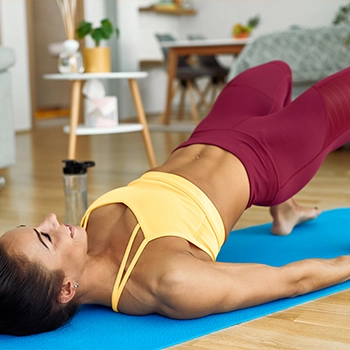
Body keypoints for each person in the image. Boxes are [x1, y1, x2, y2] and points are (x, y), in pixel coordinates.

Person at [1, 60, 350, 336]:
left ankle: (285, 213)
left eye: (34, 226)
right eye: (45, 237)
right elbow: (292, 281)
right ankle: (283, 199)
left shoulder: (83, 234)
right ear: (66, 289)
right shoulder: (171, 283)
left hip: (215, 128)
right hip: (272, 155)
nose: (49, 219)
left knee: (275, 70)